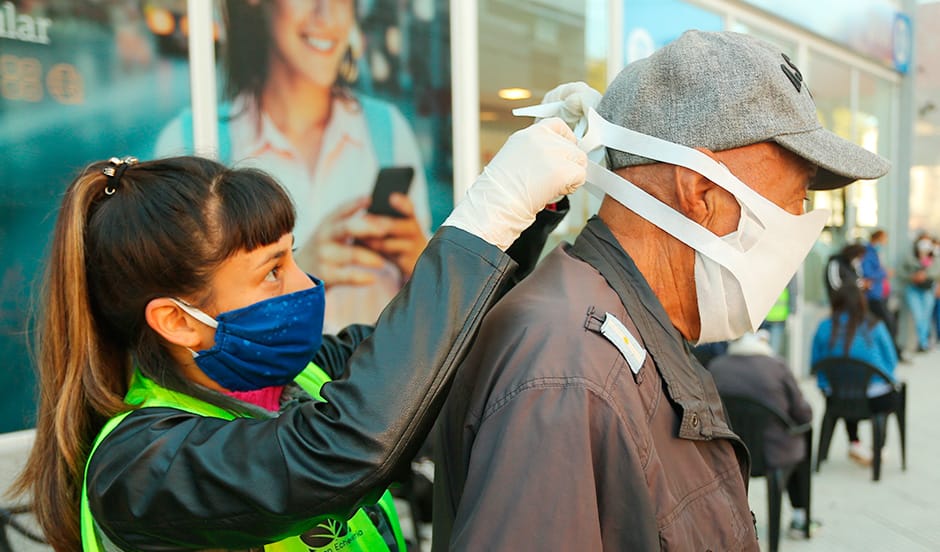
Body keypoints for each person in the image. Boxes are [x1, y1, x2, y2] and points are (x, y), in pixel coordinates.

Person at [11, 116, 587, 551]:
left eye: (292, 257)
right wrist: (480, 224)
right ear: (178, 320)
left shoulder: (310, 373)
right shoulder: (139, 468)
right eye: (271, 272)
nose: (304, 283)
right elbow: (338, 454)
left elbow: (448, 350)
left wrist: (528, 213)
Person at [432, 30, 890, 551]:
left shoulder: (626, 331)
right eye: (794, 199)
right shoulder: (567, 374)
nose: (800, 223)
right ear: (701, 193)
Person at [156, 0, 431, 333]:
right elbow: (183, 319)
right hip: (264, 384)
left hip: (387, 379)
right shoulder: (193, 140)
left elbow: (428, 312)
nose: (326, 16)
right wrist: (296, 273)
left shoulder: (388, 131)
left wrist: (421, 260)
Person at [709, 331, 817, 539]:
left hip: (730, 451)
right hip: (771, 453)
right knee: (801, 438)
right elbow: (803, 415)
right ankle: (800, 516)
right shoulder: (777, 367)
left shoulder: (716, 367)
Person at [812, 284, 900, 466]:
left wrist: (824, 386)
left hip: (836, 397)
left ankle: (855, 442)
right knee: (880, 392)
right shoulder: (875, 325)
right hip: (876, 400)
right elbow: (891, 361)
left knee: (847, 389)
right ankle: (879, 448)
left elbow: (814, 364)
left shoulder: (823, 327)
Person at [862, 229, 902, 358]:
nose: (885, 242)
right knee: (888, 324)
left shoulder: (877, 252)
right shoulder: (868, 253)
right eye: (884, 239)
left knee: (888, 323)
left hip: (880, 294)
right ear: (877, 238)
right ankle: (892, 353)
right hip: (872, 296)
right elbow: (867, 274)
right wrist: (885, 273)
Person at [899, 233, 939, 352]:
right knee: (918, 315)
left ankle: (923, 342)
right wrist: (913, 276)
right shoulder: (910, 256)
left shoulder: (934, 257)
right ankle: (921, 342)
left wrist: (926, 274)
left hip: (928, 289)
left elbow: (937, 272)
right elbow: (901, 272)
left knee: (925, 316)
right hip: (913, 289)